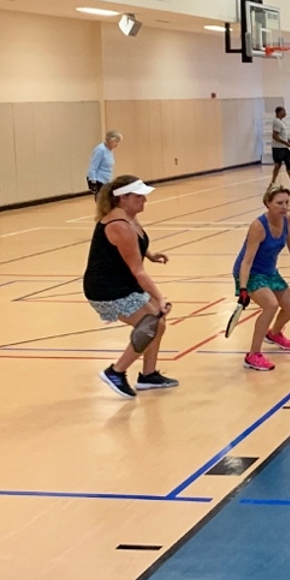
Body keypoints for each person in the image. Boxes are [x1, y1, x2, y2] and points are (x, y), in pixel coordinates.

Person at [82, 174, 177, 398]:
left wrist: (150, 254)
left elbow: (133, 247)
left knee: (158, 323)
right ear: (122, 198)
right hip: (107, 288)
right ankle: (116, 371)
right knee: (151, 323)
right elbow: (138, 270)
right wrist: (160, 297)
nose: (144, 201)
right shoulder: (119, 225)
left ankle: (148, 375)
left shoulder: (129, 217)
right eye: (138, 197)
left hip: (123, 281)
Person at [233, 185, 290, 372]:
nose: (284, 207)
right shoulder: (258, 227)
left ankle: (274, 333)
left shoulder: (288, 221)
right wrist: (244, 289)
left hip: (270, 271)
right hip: (251, 272)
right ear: (268, 204)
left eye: (287, 202)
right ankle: (253, 355)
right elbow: (247, 261)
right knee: (270, 305)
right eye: (279, 203)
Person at [269, 106, 290, 188]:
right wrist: (286, 143)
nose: (285, 113)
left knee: (288, 163)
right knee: (278, 165)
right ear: (279, 112)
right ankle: (272, 183)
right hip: (277, 148)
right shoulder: (276, 122)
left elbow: (285, 136)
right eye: (284, 111)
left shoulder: (282, 122)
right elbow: (275, 136)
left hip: (284, 148)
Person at [86, 131, 122, 197]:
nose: (117, 144)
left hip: (106, 180)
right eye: (116, 142)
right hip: (98, 180)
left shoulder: (109, 150)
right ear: (109, 140)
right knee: (103, 202)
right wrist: (93, 181)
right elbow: (93, 166)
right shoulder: (100, 150)